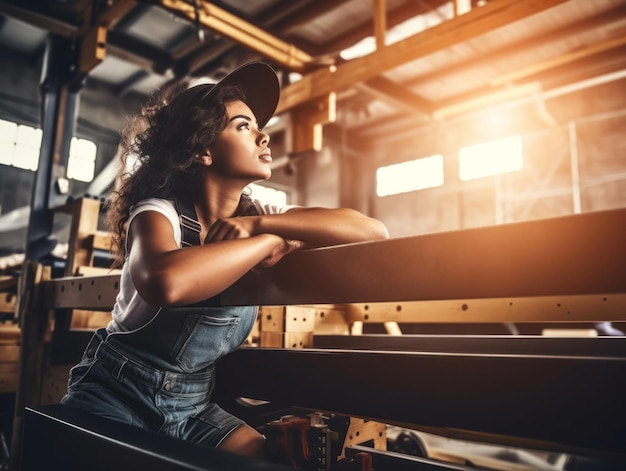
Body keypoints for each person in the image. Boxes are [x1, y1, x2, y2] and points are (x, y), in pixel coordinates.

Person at [61, 61, 389, 460]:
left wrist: (261, 226)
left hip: (194, 407)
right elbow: (167, 283)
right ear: (202, 150)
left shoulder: (256, 213)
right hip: (116, 395)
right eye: (243, 126)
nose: (264, 135)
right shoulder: (159, 213)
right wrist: (269, 240)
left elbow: (372, 232)